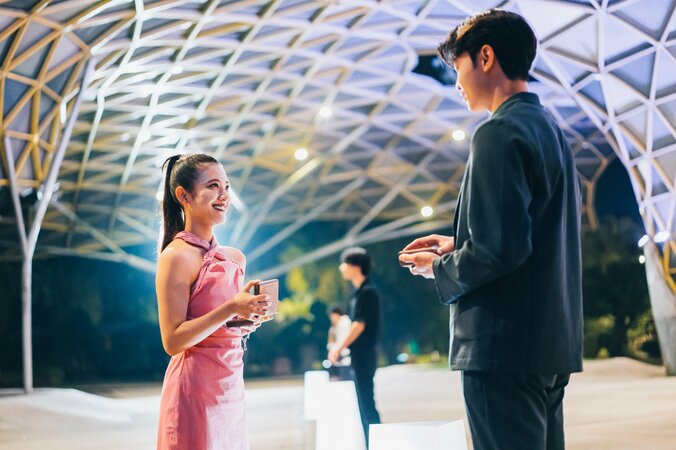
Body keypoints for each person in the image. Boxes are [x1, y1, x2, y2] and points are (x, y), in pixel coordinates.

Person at [399, 10, 583, 450]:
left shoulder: (498, 133)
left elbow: (501, 250)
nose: (456, 81)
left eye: (457, 65)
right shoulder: (551, 131)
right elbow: (527, 235)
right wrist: (460, 242)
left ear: (485, 57)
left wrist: (439, 267)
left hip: (502, 348)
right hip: (548, 345)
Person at [155, 153, 270, 450]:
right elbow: (172, 340)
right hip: (193, 390)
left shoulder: (234, 258)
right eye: (213, 186)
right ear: (184, 195)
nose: (224, 195)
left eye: (227, 187)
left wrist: (245, 321)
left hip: (230, 385)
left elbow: (222, 325)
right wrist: (232, 307)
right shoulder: (175, 256)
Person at [329, 247, 382, 447]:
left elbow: (359, 325)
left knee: (367, 404)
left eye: (344, 263)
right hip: (359, 355)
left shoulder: (367, 293)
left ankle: (376, 443)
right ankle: (372, 443)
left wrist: (338, 348)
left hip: (364, 355)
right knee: (364, 404)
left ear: (355, 266)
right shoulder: (357, 293)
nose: (341, 268)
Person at [327, 306, 352, 381]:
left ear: (336, 314)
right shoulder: (336, 326)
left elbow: (342, 340)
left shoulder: (344, 322)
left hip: (346, 358)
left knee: (346, 381)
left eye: (331, 316)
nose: (331, 319)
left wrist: (335, 351)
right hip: (342, 359)